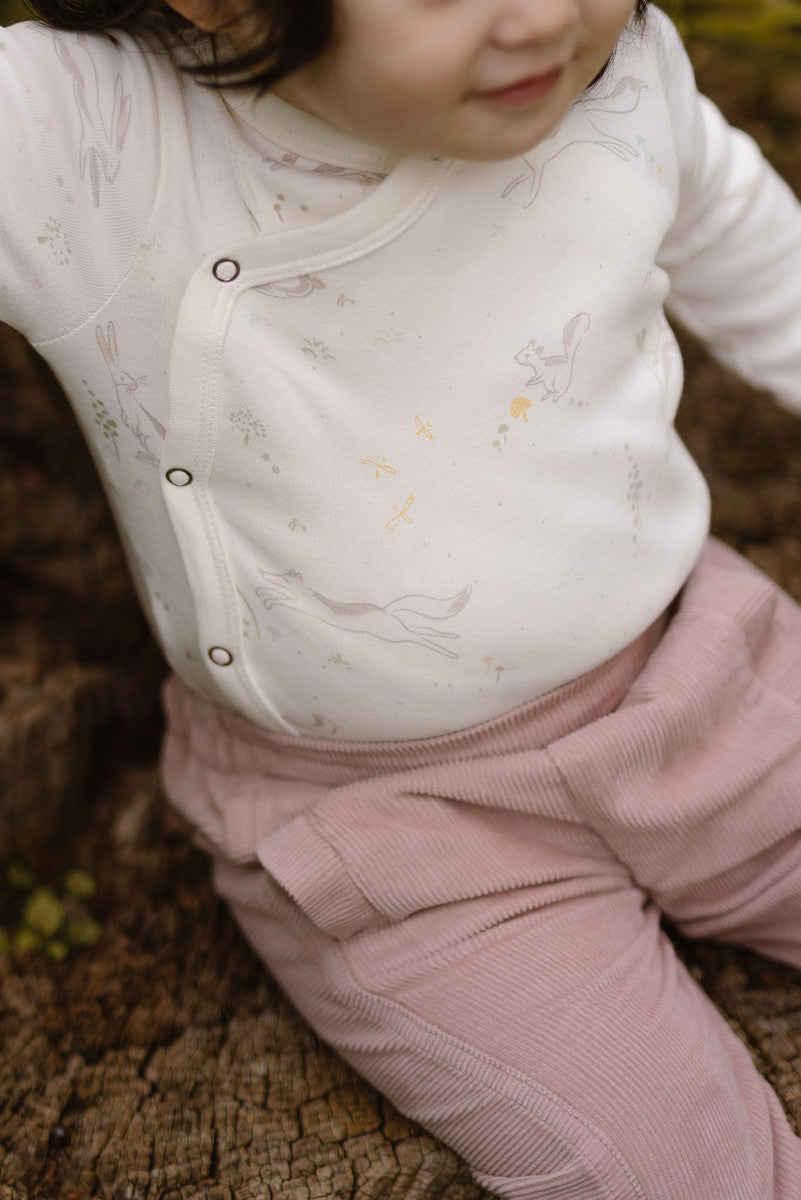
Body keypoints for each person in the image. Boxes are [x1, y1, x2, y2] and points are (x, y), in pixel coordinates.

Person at [3, 0, 801, 1192]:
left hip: (706, 677)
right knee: (670, 1164)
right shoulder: (86, 142)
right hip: (395, 829)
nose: (544, 14)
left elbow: (748, 241)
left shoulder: (621, 72)